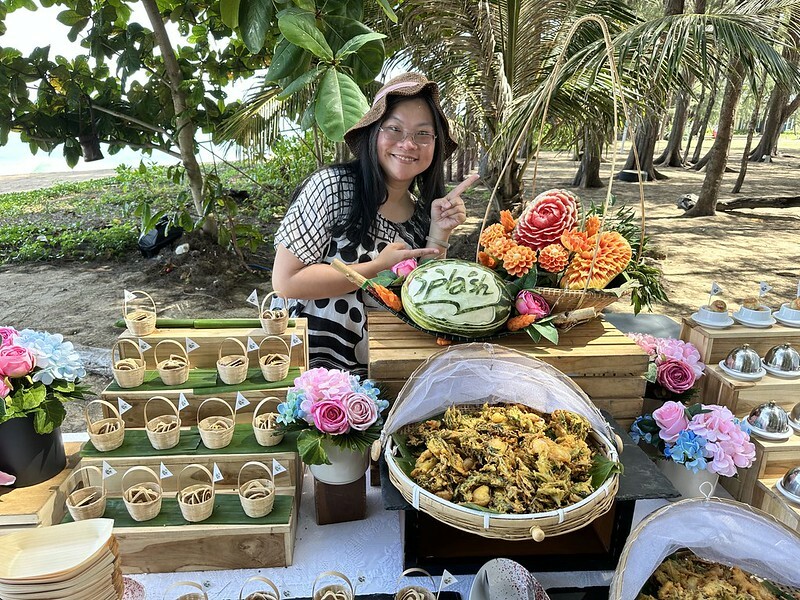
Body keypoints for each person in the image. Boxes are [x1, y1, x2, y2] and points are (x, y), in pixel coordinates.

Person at [272, 72, 477, 375]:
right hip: (313, 366)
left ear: (434, 146)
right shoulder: (333, 188)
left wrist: (439, 233)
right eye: (394, 129)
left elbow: (424, 300)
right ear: (374, 133)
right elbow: (286, 283)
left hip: (381, 370)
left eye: (423, 134)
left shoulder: (422, 214)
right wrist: (377, 267)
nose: (408, 144)